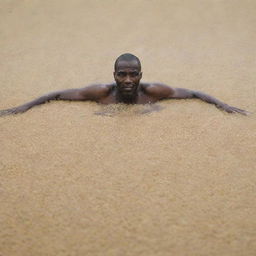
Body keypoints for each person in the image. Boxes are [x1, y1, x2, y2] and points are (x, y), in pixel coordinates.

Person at [0, 53, 249, 116]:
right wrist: (23, 107)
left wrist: (222, 105)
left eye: (133, 74)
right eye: (122, 74)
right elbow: (55, 94)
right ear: (114, 75)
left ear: (141, 75)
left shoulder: (153, 91)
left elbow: (194, 93)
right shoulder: (100, 92)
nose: (128, 80)